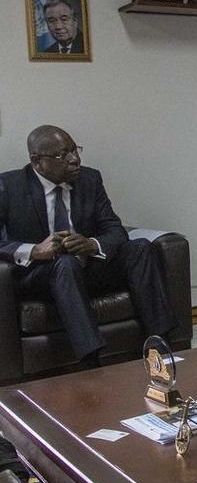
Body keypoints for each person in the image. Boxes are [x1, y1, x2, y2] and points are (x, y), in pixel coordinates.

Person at [0, 126, 176, 366]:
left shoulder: (90, 179)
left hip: (86, 268)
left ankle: (161, 346)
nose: (75, 159)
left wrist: (92, 244)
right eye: (63, 155)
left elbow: (114, 229)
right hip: (41, 275)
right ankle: (90, 361)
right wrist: (35, 250)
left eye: (75, 150)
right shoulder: (9, 186)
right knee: (65, 264)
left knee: (140, 248)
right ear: (37, 161)